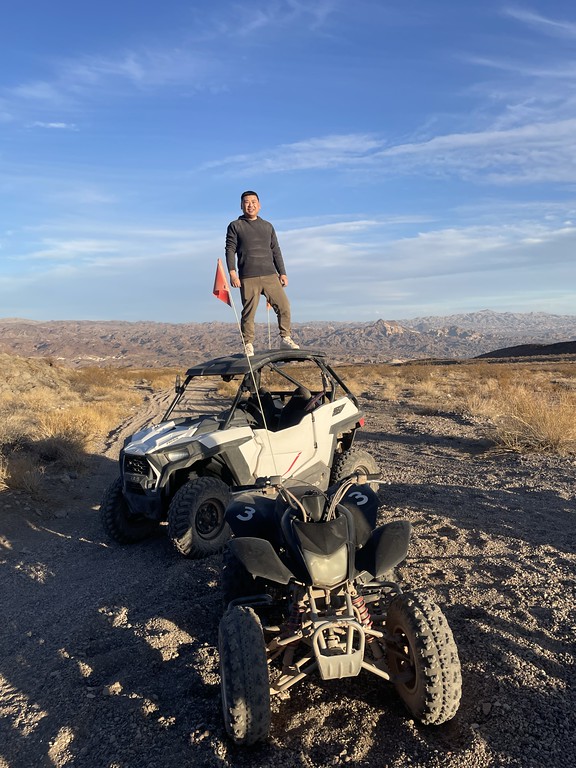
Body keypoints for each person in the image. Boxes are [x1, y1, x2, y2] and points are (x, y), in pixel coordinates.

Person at [225, 190, 299, 356]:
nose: (250, 205)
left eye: (253, 202)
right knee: (249, 312)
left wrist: (282, 273)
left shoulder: (267, 226)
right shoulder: (235, 226)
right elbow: (230, 249)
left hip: (270, 275)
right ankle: (248, 344)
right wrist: (232, 273)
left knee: (284, 306)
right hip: (247, 276)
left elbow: (276, 250)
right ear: (241, 205)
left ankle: (285, 338)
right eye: (246, 202)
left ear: (259, 205)